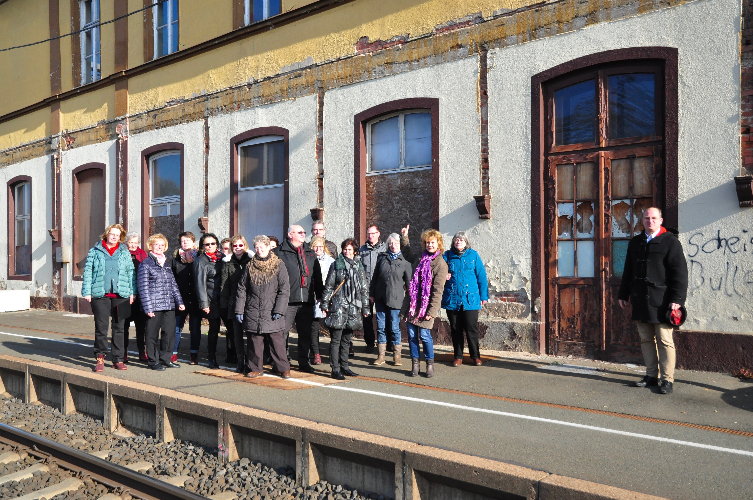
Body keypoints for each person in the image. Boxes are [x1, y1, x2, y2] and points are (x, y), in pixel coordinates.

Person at [618, 207, 688, 395]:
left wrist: (677, 299)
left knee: (665, 340)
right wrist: (623, 294)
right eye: (647, 218)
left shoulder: (670, 242)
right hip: (640, 299)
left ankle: (667, 379)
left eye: (654, 218)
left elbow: (680, 273)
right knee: (646, 339)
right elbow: (628, 270)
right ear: (642, 220)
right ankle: (651, 376)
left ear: (661, 220)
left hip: (663, 301)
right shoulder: (636, 242)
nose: (650, 221)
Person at [235, 235, 291, 378]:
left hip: (272, 309)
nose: (259, 250)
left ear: (268, 247)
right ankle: (256, 368)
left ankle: (283, 368)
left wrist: (279, 310)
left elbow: (284, 290)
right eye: (256, 247)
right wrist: (239, 309)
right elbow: (242, 288)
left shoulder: (279, 265)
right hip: (253, 309)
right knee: (255, 341)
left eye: (262, 247)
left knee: (277, 341)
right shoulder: (250, 266)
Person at [81, 224, 135, 372]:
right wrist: (87, 291)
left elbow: (131, 273)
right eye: (112, 234)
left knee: (120, 328)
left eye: (117, 235)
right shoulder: (95, 251)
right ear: (106, 234)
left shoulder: (124, 252)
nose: (114, 237)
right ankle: (100, 357)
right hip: (100, 295)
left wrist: (132, 292)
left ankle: (118, 359)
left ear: (120, 237)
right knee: (101, 328)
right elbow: (88, 272)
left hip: (122, 295)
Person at [273, 225, 322, 373]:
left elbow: (317, 276)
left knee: (305, 334)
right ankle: (281, 363)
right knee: (282, 333)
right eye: (299, 232)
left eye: (304, 232)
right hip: (287, 300)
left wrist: (320, 295)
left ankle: (304, 363)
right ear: (290, 234)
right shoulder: (279, 253)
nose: (303, 234)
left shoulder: (309, 253)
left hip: (306, 299)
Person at [320, 239, 370, 380]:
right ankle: (335, 369)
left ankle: (345, 366)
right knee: (336, 340)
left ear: (355, 252)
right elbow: (329, 286)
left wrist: (366, 308)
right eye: (345, 249)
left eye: (350, 250)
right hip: (338, 306)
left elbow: (364, 289)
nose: (347, 252)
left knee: (347, 340)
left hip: (353, 307)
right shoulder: (336, 265)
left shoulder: (359, 266)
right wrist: (324, 305)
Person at [401, 228, 448, 378]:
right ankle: (415, 364)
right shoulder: (419, 258)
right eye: (427, 242)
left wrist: (432, 312)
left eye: (432, 242)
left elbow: (438, 291)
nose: (430, 245)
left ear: (438, 244)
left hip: (426, 307)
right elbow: (407, 254)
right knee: (411, 335)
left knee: (425, 335)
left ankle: (429, 364)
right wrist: (404, 237)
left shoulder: (441, 264)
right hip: (413, 305)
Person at [137, 234, 185, 371]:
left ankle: (166, 358)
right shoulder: (145, 264)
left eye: (162, 245)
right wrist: (148, 308)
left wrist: (179, 301)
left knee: (169, 333)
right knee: (152, 334)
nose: (160, 247)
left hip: (168, 304)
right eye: (157, 244)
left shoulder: (166, 264)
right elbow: (143, 287)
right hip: (153, 305)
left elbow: (173, 284)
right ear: (150, 246)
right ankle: (153, 360)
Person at [442, 231, 489, 367]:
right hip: (453, 298)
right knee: (455, 328)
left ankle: (475, 356)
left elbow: (481, 276)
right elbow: (437, 271)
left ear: (466, 242)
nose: (459, 241)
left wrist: (484, 296)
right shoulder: (447, 256)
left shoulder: (473, 255)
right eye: (456, 239)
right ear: (453, 242)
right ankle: (458, 356)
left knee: (471, 328)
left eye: (461, 240)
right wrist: (444, 275)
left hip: (471, 299)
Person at [369, 231, 411, 366]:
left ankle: (397, 356)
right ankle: (381, 356)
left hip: (396, 300)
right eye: (391, 243)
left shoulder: (405, 263)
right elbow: (375, 278)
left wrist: (409, 302)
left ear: (400, 245)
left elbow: (409, 285)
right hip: (380, 298)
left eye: (396, 243)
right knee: (380, 327)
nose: (393, 245)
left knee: (394, 328)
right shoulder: (382, 258)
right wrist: (372, 294)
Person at [220, 234, 254, 373]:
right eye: (235, 245)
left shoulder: (251, 261)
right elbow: (224, 286)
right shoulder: (227, 263)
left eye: (241, 245)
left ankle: (251, 361)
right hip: (234, 303)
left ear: (245, 245)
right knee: (236, 335)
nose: (238, 248)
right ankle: (240, 360)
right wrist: (224, 306)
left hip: (251, 302)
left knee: (252, 335)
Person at [194, 232, 225, 368]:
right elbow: (200, 284)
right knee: (214, 329)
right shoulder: (200, 261)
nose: (210, 246)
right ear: (203, 246)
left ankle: (232, 355)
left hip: (224, 298)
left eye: (213, 243)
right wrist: (204, 304)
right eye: (207, 244)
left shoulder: (222, 258)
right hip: (211, 299)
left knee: (231, 327)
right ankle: (211, 357)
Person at [172, 231, 201, 364]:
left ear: (193, 242)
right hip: (180, 298)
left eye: (188, 240)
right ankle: (173, 353)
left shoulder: (199, 258)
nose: (185, 243)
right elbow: (172, 279)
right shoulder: (175, 259)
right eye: (183, 241)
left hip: (195, 299)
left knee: (194, 329)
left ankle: (194, 354)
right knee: (177, 328)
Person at [358, 225, 386, 353]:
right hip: (366, 289)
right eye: (369, 233)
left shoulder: (385, 248)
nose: (371, 236)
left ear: (378, 234)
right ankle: (369, 343)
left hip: (380, 289)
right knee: (367, 318)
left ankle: (386, 343)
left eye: (373, 233)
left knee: (383, 318)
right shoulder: (362, 249)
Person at [124, 232, 148, 363]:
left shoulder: (143, 254)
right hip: (125, 295)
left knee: (141, 326)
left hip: (140, 294)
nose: (133, 245)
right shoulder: (122, 253)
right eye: (131, 242)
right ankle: (123, 352)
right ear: (126, 242)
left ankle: (142, 352)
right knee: (124, 326)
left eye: (136, 243)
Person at [311, 236, 335, 365]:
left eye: (320, 246)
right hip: (312, 296)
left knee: (330, 325)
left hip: (327, 296)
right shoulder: (308, 259)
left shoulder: (331, 261)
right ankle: (316, 353)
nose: (318, 249)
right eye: (316, 246)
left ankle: (333, 353)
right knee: (314, 326)